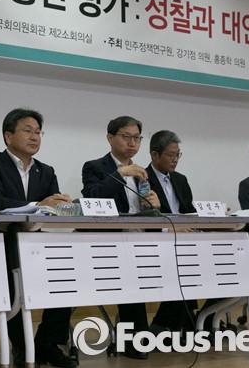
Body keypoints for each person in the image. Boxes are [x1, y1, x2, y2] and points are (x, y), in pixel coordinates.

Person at [0, 108, 76, 368]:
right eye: (27, 131)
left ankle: (46, 343)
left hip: (34, 241)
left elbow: (52, 209)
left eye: (38, 132)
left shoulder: (46, 170)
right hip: (2, 241)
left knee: (67, 274)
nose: (34, 137)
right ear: (8, 136)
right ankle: (22, 347)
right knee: (14, 273)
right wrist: (37, 204)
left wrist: (62, 203)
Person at [81, 116, 160, 360]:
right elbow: (92, 198)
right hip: (109, 242)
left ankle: (150, 333)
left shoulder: (143, 173)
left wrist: (155, 204)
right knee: (130, 278)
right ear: (110, 138)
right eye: (126, 137)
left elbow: (150, 211)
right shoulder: (95, 167)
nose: (132, 143)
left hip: (141, 240)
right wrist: (120, 173)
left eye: (137, 138)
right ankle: (134, 339)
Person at [145, 130, 198, 336]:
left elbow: (188, 211)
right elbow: (142, 218)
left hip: (185, 240)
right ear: (154, 154)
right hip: (156, 241)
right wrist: (170, 228)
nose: (175, 160)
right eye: (171, 155)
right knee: (187, 265)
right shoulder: (142, 179)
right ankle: (173, 322)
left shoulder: (181, 180)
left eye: (178, 155)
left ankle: (197, 318)